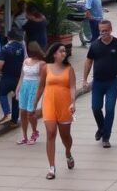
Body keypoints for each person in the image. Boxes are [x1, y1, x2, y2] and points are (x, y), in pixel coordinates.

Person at [83, 20, 117, 148]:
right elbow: (88, 61)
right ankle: (101, 128)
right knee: (95, 107)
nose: (103, 33)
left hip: (112, 81)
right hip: (97, 82)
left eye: (106, 31)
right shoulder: (95, 45)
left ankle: (106, 137)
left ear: (111, 29)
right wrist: (84, 79)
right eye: (101, 31)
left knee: (110, 108)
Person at [37, 43, 77, 180]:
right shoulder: (46, 68)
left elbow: (72, 87)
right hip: (49, 105)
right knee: (51, 133)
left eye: (64, 51)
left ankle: (68, 152)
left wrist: (73, 102)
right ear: (54, 54)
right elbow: (41, 86)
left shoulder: (69, 69)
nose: (63, 53)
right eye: (61, 51)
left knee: (65, 136)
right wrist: (34, 104)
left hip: (65, 105)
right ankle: (52, 168)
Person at [15, 40, 45, 145]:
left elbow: (42, 80)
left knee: (30, 113)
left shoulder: (42, 64)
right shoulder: (26, 61)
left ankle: (34, 131)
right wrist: (17, 89)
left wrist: (39, 94)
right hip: (25, 87)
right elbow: (21, 77)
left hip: (34, 87)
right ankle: (24, 136)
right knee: (22, 112)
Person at [0, 29, 25, 126]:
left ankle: (7, 113)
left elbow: (0, 64)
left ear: (8, 38)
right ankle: (14, 120)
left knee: (1, 94)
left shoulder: (5, 48)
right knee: (15, 96)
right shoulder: (22, 47)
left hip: (7, 76)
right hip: (19, 77)